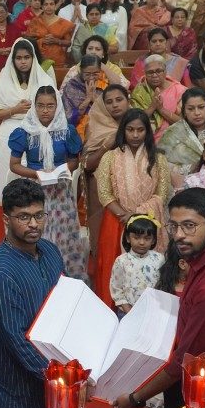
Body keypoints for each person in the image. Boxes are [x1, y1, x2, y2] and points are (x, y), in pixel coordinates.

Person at [112, 187, 205, 408]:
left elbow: (183, 362)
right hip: (194, 384)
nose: (179, 235)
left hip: (202, 397)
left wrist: (135, 399)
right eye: (173, 226)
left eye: (189, 225)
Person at [0, 178, 66, 408]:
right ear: (7, 220)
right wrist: (60, 377)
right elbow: (16, 339)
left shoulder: (50, 250)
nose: (34, 224)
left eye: (39, 215)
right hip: (16, 383)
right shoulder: (0, 274)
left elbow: (66, 302)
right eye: (24, 217)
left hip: (52, 367)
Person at [8, 85, 87, 282]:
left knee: (63, 234)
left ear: (57, 106)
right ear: (34, 107)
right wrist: (38, 173)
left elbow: (74, 160)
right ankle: (38, 276)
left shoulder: (66, 130)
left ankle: (65, 275)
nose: (45, 111)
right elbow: (14, 165)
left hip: (60, 189)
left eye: (50, 106)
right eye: (41, 106)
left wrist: (60, 170)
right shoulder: (25, 131)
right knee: (37, 232)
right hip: (34, 189)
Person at [94, 108, 170, 306]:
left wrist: (136, 214)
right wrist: (125, 215)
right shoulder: (109, 157)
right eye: (130, 130)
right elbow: (104, 193)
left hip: (149, 222)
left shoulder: (158, 158)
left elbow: (162, 193)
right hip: (116, 221)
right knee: (114, 268)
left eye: (140, 130)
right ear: (123, 131)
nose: (135, 135)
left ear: (147, 131)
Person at [0, 38, 54, 205]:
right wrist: (14, 110)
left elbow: (55, 110)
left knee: (35, 180)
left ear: (33, 58)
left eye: (27, 57)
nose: (23, 62)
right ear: (13, 59)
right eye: (19, 58)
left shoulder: (44, 79)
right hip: (9, 132)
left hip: (38, 131)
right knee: (10, 177)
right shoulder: (5, 80)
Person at [82, 84, 130, 270]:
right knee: (107, 244)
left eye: (119, 100)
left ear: (128, 101)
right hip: (103, 191)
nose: (114, 105)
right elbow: (87, 164)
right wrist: (106, 145)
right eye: (109, 102)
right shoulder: (96, 125)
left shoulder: (137, 125)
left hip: (135, 189)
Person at [159, 87, 205, 183]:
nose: (197, 113)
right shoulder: (172, 133)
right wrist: (190, 168)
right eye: (191, 109)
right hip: (182, 187)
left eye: (201, 107)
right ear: (184, 111)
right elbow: (159, 164)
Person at [109, 214, 164, 316]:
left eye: (147, 238)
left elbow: (163, 284)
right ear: (128, 238)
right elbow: (116, 288)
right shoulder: (121, 261)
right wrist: (129, 311)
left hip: (153, 310)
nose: (142, 242)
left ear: (153, 240)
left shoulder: (159, 259)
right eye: (137, 238)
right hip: (128, 311)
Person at [130, 54, 187, 141]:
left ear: (165, 71)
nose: (154, 75)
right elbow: (134, 122)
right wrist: (152, 107)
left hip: (175, 141)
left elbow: (184, 124)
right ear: (145, 73)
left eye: (158, 71)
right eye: (150, 72)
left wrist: (161, 109)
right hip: (144, 141)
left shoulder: (180, 91)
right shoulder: (139, 91)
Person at [61, 54, 105, 136]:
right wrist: (88, 99)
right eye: (87, 74)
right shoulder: (72, 85)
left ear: (100, 71)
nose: (91, 78)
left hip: (101, 126)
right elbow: (68, 117)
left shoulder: (104, 84)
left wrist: (94, 98)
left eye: (95, 74)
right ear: (81, 71)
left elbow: (108, 112)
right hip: (76, 128)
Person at [26, 0, 74, 66]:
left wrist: (56, 40)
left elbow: (68, 43)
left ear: (55, 6)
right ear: (42, 7)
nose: (49, 7)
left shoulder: (63, 23)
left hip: (58, 59)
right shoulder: (35, 21)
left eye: (51, 4)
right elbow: (28, 40)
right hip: (39, 58)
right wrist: (42, 40)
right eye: (46, 4)